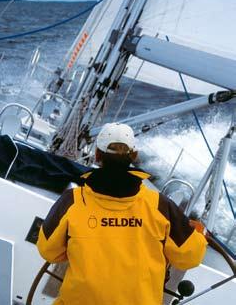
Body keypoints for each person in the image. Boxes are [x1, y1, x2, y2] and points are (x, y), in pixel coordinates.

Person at [37, 122, 207, 305]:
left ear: (97, 155)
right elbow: (190, 257)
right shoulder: (160, 206)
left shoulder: (72, 201)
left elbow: (48, 251)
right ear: (134, 155)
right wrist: (195, 233)